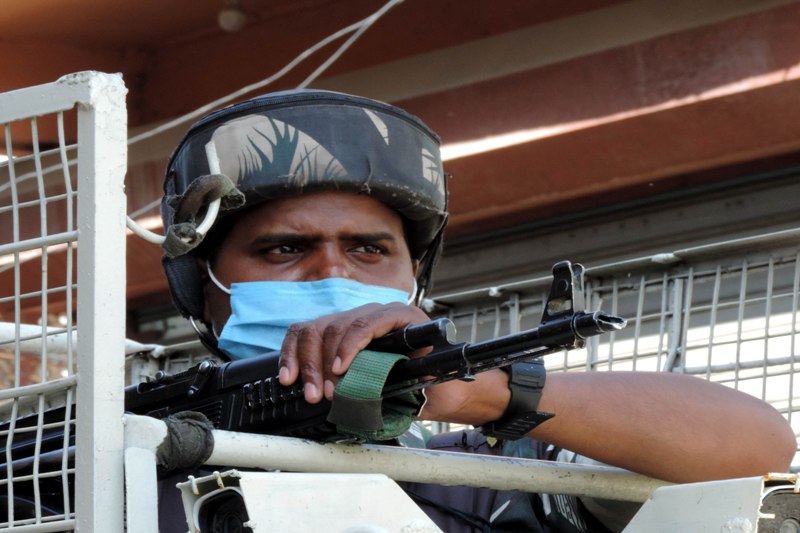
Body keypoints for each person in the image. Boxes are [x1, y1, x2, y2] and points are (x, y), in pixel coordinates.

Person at [158, 89, 796, 531]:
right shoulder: (127, 462)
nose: (334, 274)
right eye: (284, 249)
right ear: (203, 286)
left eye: (369, 249)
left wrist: (482, 393)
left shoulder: (488, 475)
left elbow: (758, 449)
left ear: (413, 283)